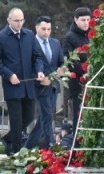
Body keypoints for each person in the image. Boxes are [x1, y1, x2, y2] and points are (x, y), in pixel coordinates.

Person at [0, 8, 36, 153]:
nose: (19, 23)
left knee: (29, 116)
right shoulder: (0, 37)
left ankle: (8, 138)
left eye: (22, 20)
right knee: (16, 120)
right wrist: (9, 75)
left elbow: (37, 56)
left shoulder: (29, 35)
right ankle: (16, 152)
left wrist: (39, 71)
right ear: (8, 20)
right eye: (16, 20)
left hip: (28, 85)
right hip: (12, 85)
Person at [26, 16, 64, 149]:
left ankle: (27, 147)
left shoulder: (55, 43)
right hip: (39, 86)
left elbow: (61, 62)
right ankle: (52, 146)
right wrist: (38, 77)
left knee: (44, 118)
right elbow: (26, 66)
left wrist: (61, 70)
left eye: (49, 29)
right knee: (47, 116)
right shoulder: (29, 44)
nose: (46, 32)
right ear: (36, 28)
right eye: (43, 29)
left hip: (53, 87)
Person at [61, 8, 91, 125]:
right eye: (83, 20)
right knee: (78, 116)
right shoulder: (70, 37)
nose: (86, 23)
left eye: (88, 20)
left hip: (92, 79)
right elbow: (68, 60)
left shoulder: (92, 34)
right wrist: (84, 71)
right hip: (78, 82)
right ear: (76, 20)